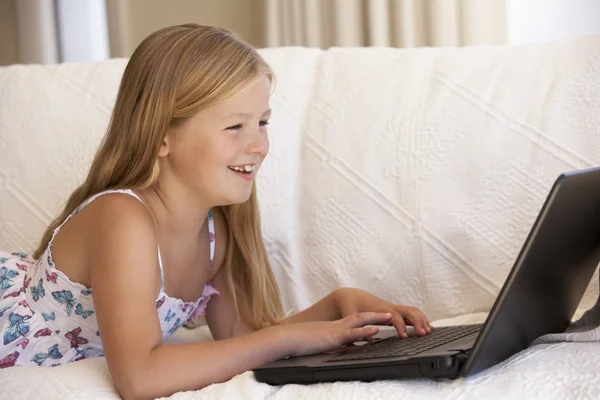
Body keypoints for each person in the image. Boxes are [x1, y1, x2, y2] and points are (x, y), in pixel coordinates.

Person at [0, 24, 432, 399]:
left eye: (262, 122)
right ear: (160, 138)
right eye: (234, 126)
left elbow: (243, 341)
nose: (259, 145)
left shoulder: (214, 234)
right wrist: (286, 337)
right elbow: (138, 378)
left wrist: (338, 306)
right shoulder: (123, 218)